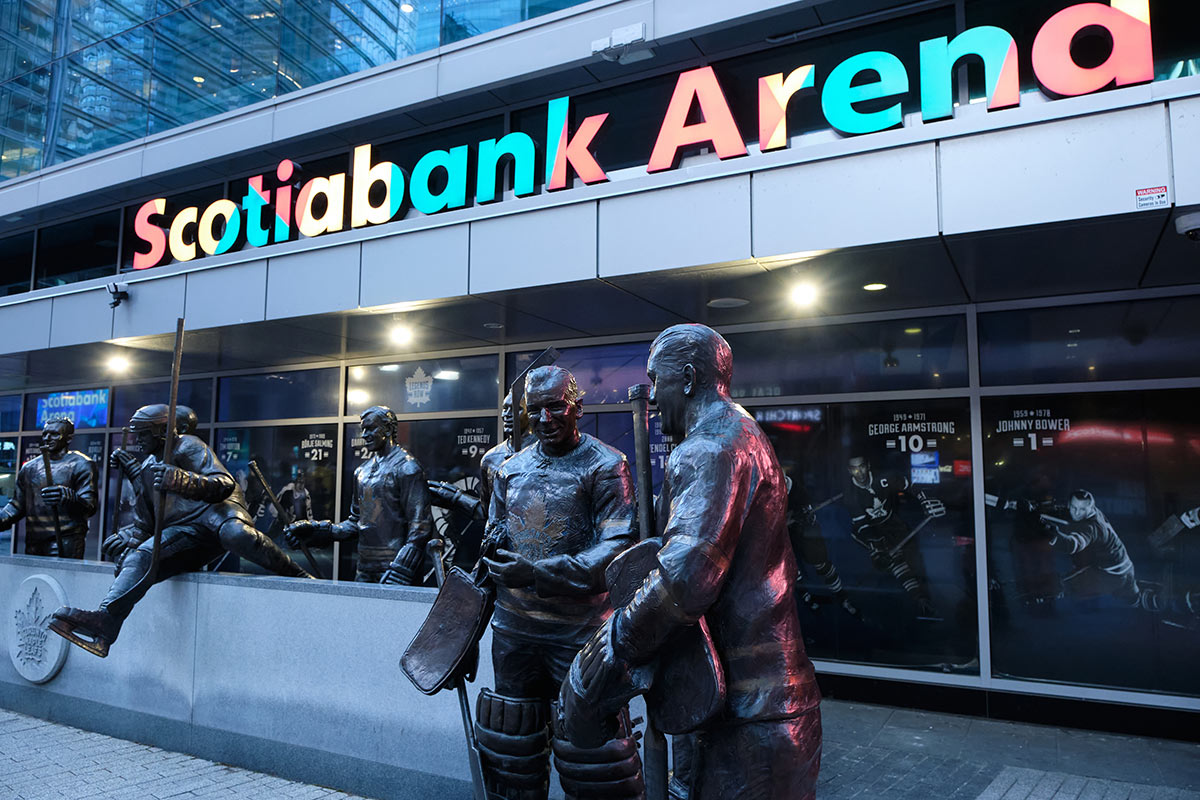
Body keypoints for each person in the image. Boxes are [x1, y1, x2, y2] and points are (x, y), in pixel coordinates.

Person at [559, 324, 821, 800]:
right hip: (757, 705)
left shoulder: (707, 449)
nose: (652, 396)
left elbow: (684, 581)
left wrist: (609, 650)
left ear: (687, 377)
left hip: (744, 712)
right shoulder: (744, 432)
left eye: (656, 380)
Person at [478, 365, 642, 800]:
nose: (546, 420)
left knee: (593, 753)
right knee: (510, 748)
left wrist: (537, 573)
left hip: (579, 633)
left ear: (578, 408)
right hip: (513, 629)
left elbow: (616, 551)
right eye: (537, 411)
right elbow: (496, 531)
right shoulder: (509, 469)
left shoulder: (607, 465)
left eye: (556, 407)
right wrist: (491, 547)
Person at [49, 404, 312, 657]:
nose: (136, 440)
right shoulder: (146, 467)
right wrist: (129, 537)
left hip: (217, 514)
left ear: (160, 432)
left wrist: (181, 479)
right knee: (140, 557)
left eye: (142, 434)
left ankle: (298, 575)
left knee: (237, 535)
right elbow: (145, 524)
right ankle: (105, 624)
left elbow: (223, 483)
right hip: (188, 531)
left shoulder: (189, 445)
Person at [285, 405, 431, 584]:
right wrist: (316, 531)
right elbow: (356, 523)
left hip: (395, 571)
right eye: (363, 429)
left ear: (388, 429)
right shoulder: (362, 471)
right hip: (364, 567)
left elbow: (420, 526)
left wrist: (404, 566)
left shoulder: (408, 468)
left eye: (370, 428)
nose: (364, 435)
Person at [846, 455, 944, 617]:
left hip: (892, 522)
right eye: (855, 468)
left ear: (868, 465)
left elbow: (911, 485)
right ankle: (917, 600)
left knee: (915, 560)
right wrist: (877, 545)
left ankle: (924, 599)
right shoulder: (850, 495)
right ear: (850, 471)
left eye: (862, 466)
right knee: (892, 561)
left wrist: (924, 500)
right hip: (870, 529)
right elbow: (862, 526)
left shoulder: (884, 478)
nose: (860, 472)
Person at [0, 417, 98, 558]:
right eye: (45, 434)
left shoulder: (82, 464)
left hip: (65, 539)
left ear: (69, 438)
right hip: (34, 540)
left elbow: (89, 506)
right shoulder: (29, 467)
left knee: (61, 579)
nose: (47, 438)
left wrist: (67, 496)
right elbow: (16, 506)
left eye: (54, 434)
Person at [1046, 489, 1140, 606]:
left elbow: (1072, 545)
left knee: (1058, 585)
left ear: (1090, 508)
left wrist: (1052, 536)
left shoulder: (1091, 527)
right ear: (1069, 505)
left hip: (1110, 576)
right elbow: (1065, 511)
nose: (1077, 513)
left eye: (1082, 509)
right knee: (1135, 601)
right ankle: (1136, 595)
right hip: (1127, 569)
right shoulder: (1094, 512)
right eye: (1074, 508)